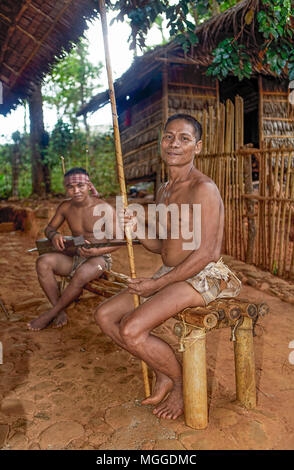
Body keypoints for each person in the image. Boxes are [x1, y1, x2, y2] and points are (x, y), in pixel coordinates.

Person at [94, 114, 241, 420]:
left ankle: (179, 383)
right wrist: (136, 228)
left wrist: (156, 285)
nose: (174, 143)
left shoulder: (204, 188)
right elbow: (162, 246)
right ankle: (165, 371)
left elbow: (207, 253)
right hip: (171, 273)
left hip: (204, 276)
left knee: (132, 330)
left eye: (184, 138)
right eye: (169, 137)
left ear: (197, 147)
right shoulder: (164, 189)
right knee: (106, 315)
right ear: (161, 143)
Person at [28, 167, 120, 331]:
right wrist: (54, 235)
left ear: (89, 186)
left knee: (82, 274)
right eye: (71, 187)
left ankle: (50, 314)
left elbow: (119, 241)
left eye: (80, 185)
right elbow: (49, 229)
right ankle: (60, 310)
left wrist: (97, 252)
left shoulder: (104, 209)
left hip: (99, 259)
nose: (76, 191)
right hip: (76, 255)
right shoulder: (65, 207)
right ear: (66, 189)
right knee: (43, 262)